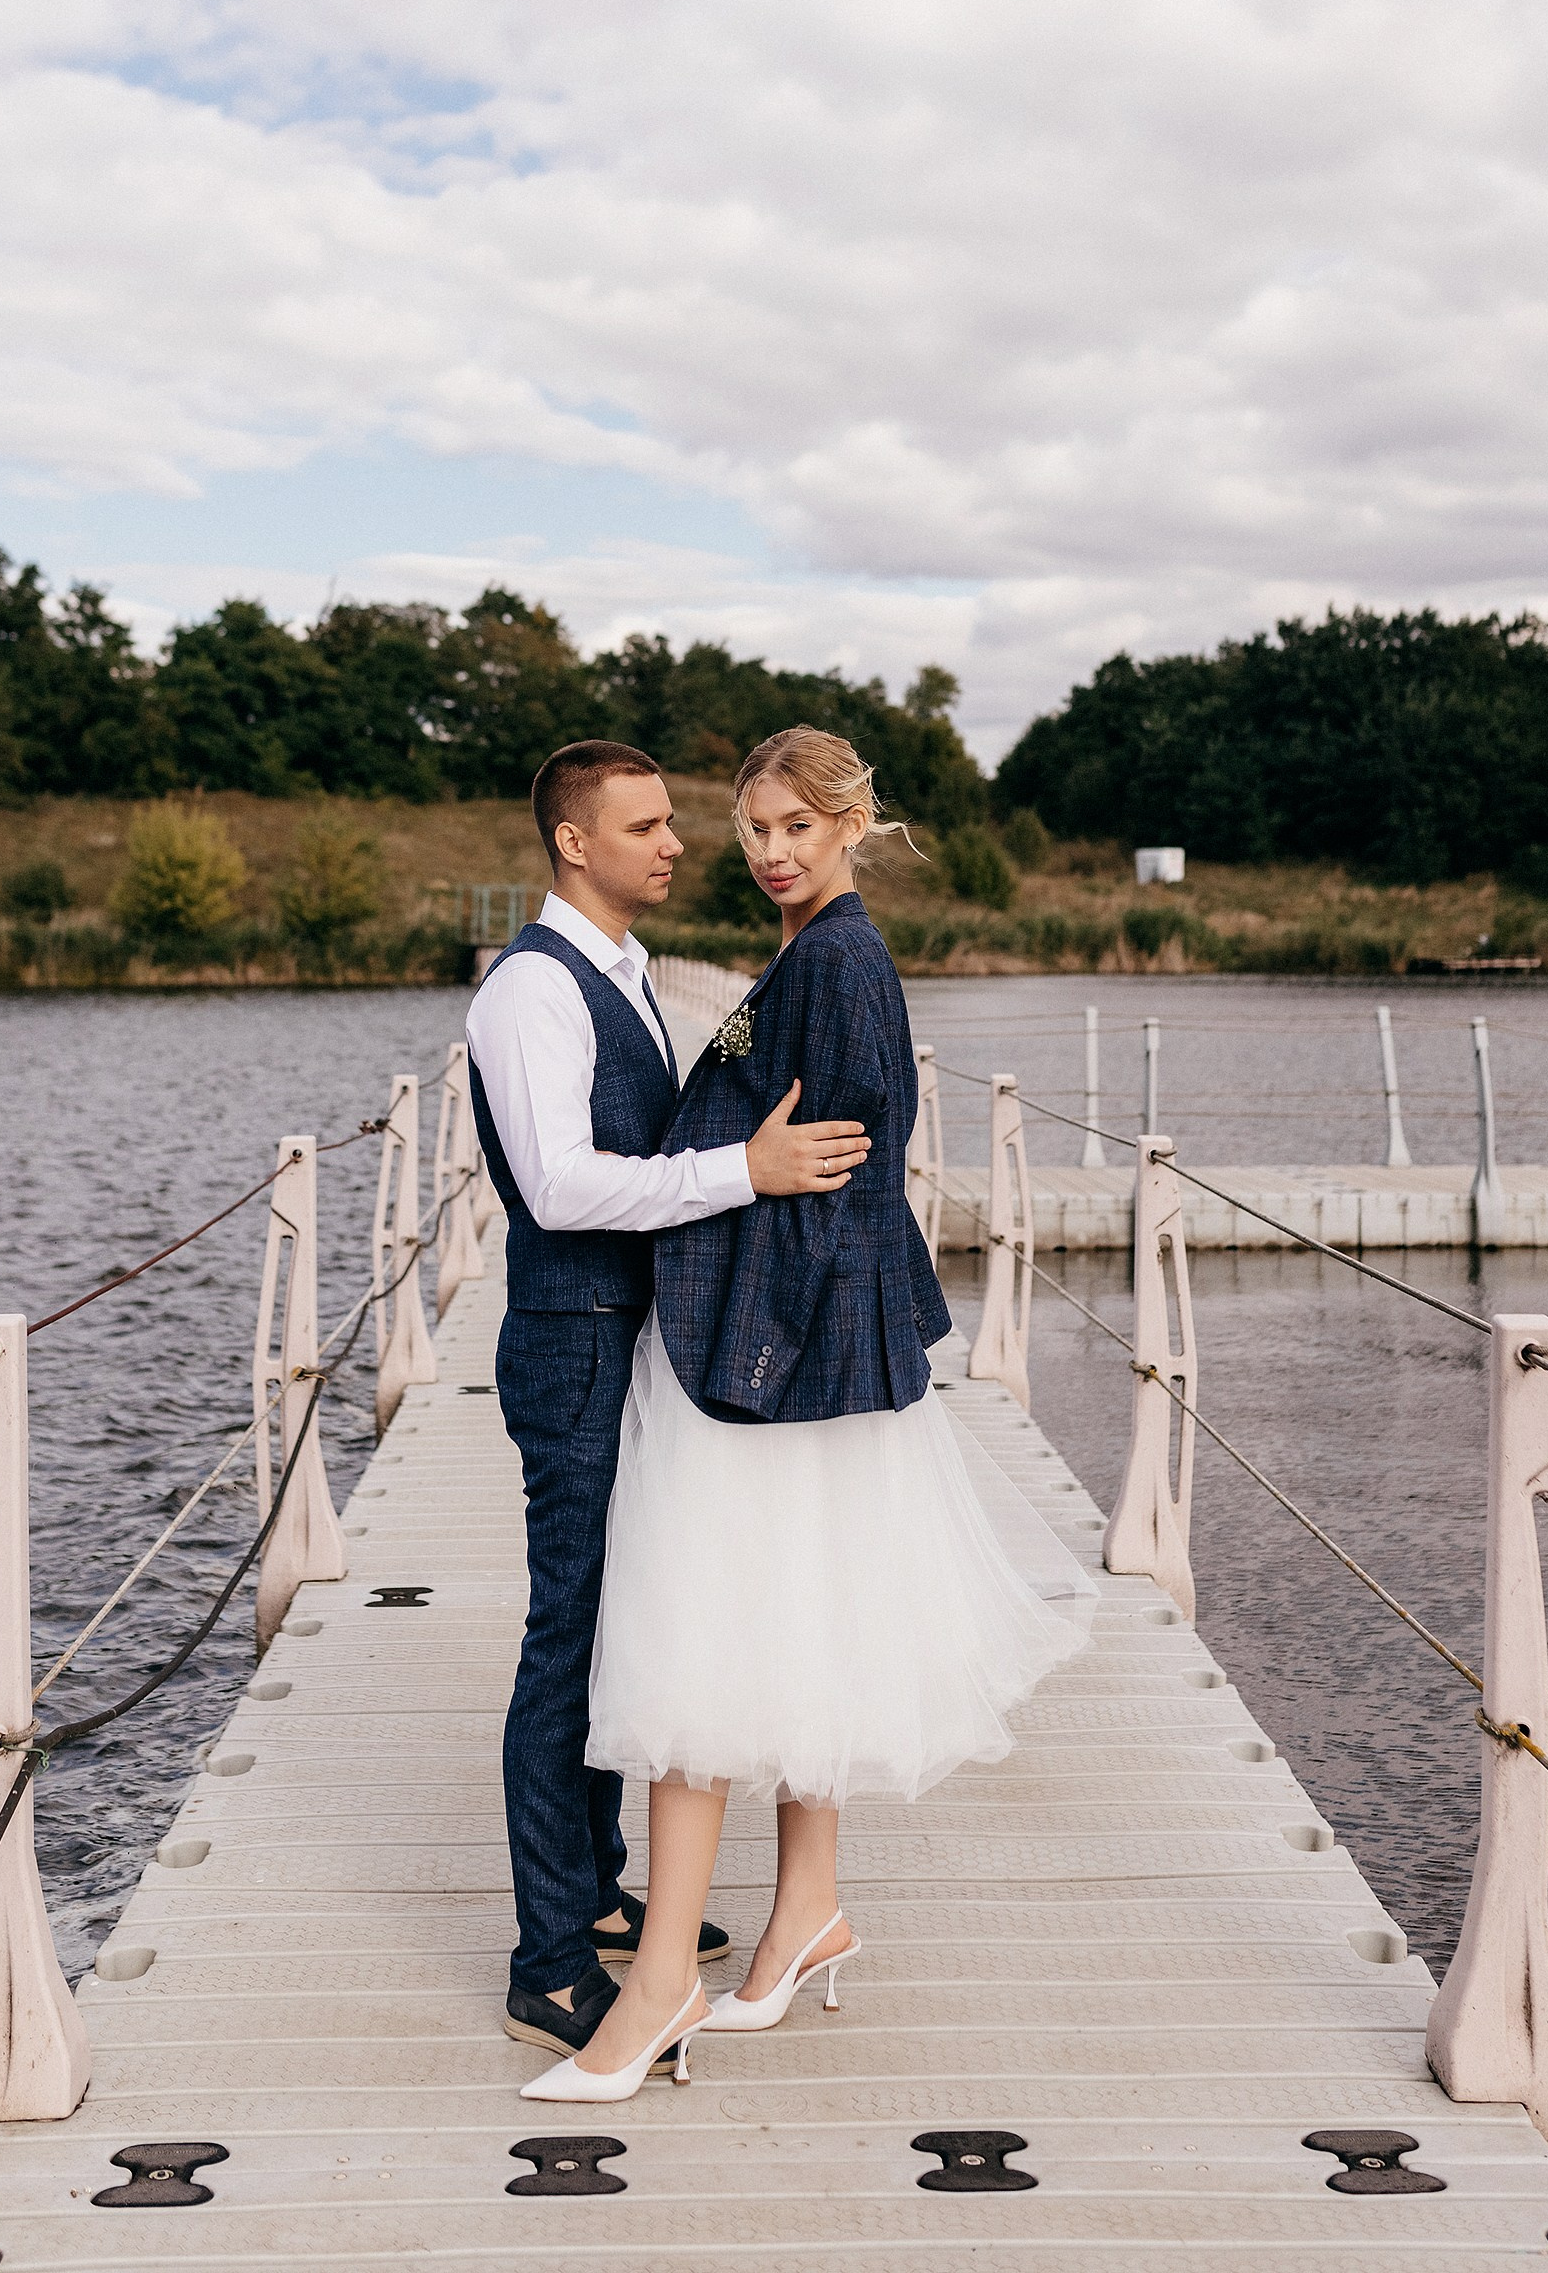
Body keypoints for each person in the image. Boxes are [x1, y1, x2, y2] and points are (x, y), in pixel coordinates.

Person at [521, 725, 1094, 2105]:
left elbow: (842, 1185)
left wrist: (747, 1367)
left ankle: (658, 1983)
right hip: (790, 1354)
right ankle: (803, 1914)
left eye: (796, 827)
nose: (771, 851)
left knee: (699, 1646)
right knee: (788, 1629)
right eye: (754, 831)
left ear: (849, 825)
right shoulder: (813, 949)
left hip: (765, 1366)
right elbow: (809, 1172)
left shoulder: (836, 961)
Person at [467, 738, 874, 2063]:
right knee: (567, 1647)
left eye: (672, 821)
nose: (676, 843)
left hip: (627, 1341)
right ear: (573, 843)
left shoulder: (625, 972)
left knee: (611, 1628)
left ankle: (592, 1899)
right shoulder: (530, 993)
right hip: (572, 1344)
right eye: (644, 826)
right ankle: (546, 1962)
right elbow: (566, 1190)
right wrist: (743, 1174)